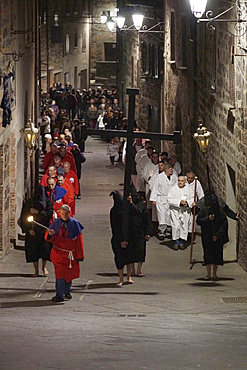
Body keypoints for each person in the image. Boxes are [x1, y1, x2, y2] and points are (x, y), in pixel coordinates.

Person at [45, 204, 84, 302]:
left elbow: (79, 241)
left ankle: (67, 291)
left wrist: (80, 255)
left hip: (70, 255)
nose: (64, 216)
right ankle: (59, 294)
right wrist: (50, 235)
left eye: (66, 214)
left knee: (69, 274)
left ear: (69, 214)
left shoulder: (75, 224)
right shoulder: (56, 223)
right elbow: (49, 238)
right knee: (60, 274)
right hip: (59, 254)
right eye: (62, 214)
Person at [20, 185, 53, 277]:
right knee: (33, 251)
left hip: (44, 229)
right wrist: (28, 229)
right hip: (33, 230)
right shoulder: (30, 203)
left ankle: (44, 267)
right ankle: (36, 270)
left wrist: (38, 212)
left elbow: (49, 213)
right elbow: (24, 217)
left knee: (45, 250)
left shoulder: (47, 202)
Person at [197, 193, 229, 280]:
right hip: (207, 236)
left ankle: (214, 273)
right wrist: (208, 219)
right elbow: (199, 221)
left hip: (217, 237)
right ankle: (208, 274)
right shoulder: (204, 211)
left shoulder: (220, 213)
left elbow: (224, 224)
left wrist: (217, 235)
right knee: (208, 254)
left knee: (217, 255)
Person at [110, 190, 136, 287]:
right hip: (118, 238)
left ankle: (128, 277)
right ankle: (121, 278)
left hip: (128, 237)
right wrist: (121, 239)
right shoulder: (115, 211)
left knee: (128, 259)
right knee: (120, 260)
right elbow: (115, 227)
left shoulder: (126, 209)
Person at [128, 187, 152, 277]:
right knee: (131, 252)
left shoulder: (141, 205)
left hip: (140, 232)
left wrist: (148, 232)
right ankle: (133, 270)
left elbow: (146, 219)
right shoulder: (126, 206)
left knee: (141, 251)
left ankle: (139, 269)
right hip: (131, 232)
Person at [150, 163, 178, 240]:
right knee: (162, 216)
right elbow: (155, 188)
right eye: (170, 169)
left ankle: (168, 231)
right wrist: (154, 199)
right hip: (161, 199)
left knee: (169, 216)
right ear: (166, 170)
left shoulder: (174, 177)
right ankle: (161, 232)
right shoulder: (159, 177)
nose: (172, 170)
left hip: (170, 199)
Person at [168, 176, 195, 250]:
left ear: (185, 181)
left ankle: (181, 242)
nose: (180, 182)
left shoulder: (189, 189)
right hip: (175, 211)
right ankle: (176, 242)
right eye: (179, 180)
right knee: (176, 226)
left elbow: (193, 198)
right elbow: (169, 199)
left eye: (182, 181)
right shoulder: (173, 189)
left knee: (184, 227)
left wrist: (188, 203)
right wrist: (179, 202)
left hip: (185, 211)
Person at [186, 171, 204, 240]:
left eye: (191, 178)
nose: (190, 179)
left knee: (192, 220)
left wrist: (200, 204)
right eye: (189, 178)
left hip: (193, 203)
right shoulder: (184, 181)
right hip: (185, 203)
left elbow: (201, 194)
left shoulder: (197, 183)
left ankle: (191, 234)